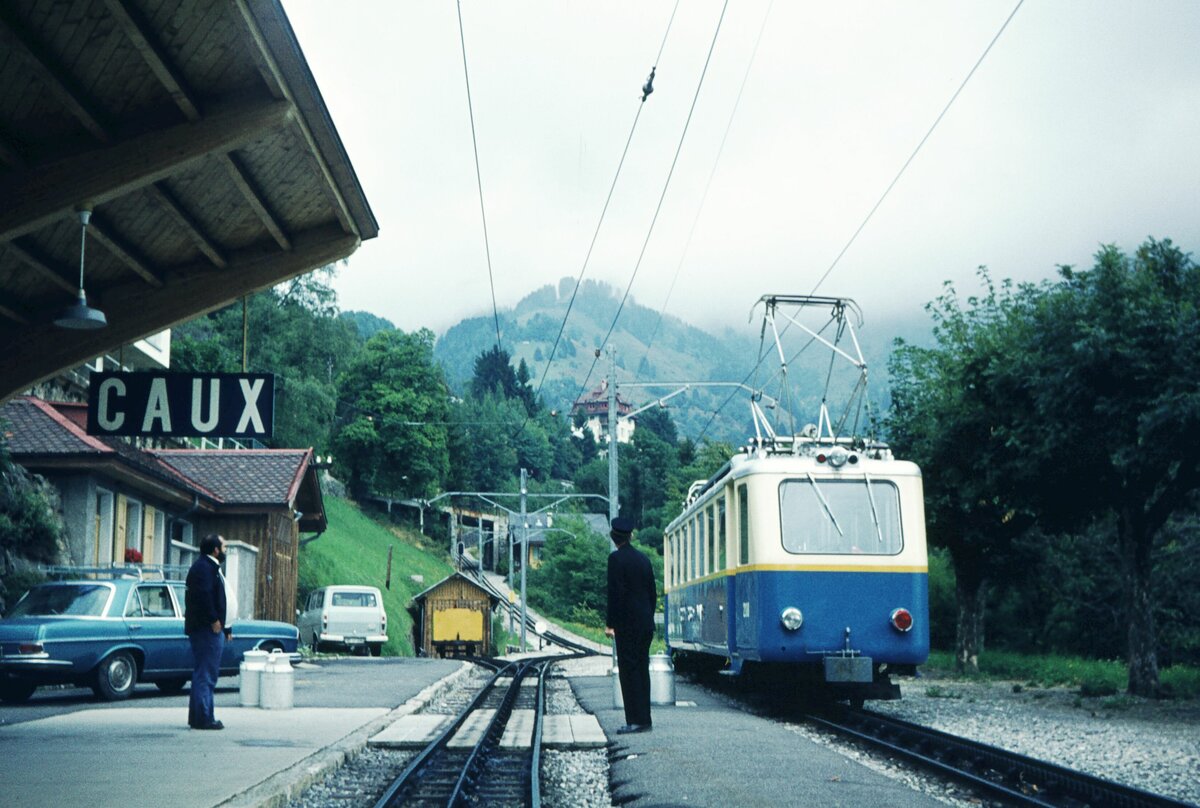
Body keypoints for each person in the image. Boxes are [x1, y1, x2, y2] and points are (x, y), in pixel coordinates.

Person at [605, 515, 656, 734]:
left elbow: (616, 595)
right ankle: (645, 719)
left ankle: (634, 720)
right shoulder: (644, 559)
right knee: (642, 670)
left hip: (627, 626)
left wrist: (610, 624)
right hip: (645, 624)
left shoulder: (615, 559)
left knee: (628, 671)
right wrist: (648, 617)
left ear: (613, 537)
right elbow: (652, 593)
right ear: (631, 536)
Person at [185, 533, 229, 730]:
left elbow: (219, 598)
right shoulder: (205, 568)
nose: (226, 550)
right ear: (216, 549)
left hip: (206, 627)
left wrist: (227, 625)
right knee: (206, 674)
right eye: (224, 546)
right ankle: (204, 717)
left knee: (202, 672)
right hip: (206, 629)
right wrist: (214, 620)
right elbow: (204, 597)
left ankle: (198, 717)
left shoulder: (207, 567)